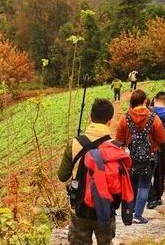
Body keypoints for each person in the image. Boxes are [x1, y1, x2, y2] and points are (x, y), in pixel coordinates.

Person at [58, 99, 126, 244]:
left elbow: (62, 176)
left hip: (80, 207)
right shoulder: (115, 147)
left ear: (90, 117)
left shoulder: (75, 143)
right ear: (110, 121)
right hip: (106, 208)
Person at [116, 89, 165, 224]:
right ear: (145, 101)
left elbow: (119, 140)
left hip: (130, 158)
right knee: (144, 185)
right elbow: (162, 138)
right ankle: (138, 215)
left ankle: (130, 211)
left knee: (131, 184)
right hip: (149, 156)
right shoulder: (153, 118)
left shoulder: (124, 118)